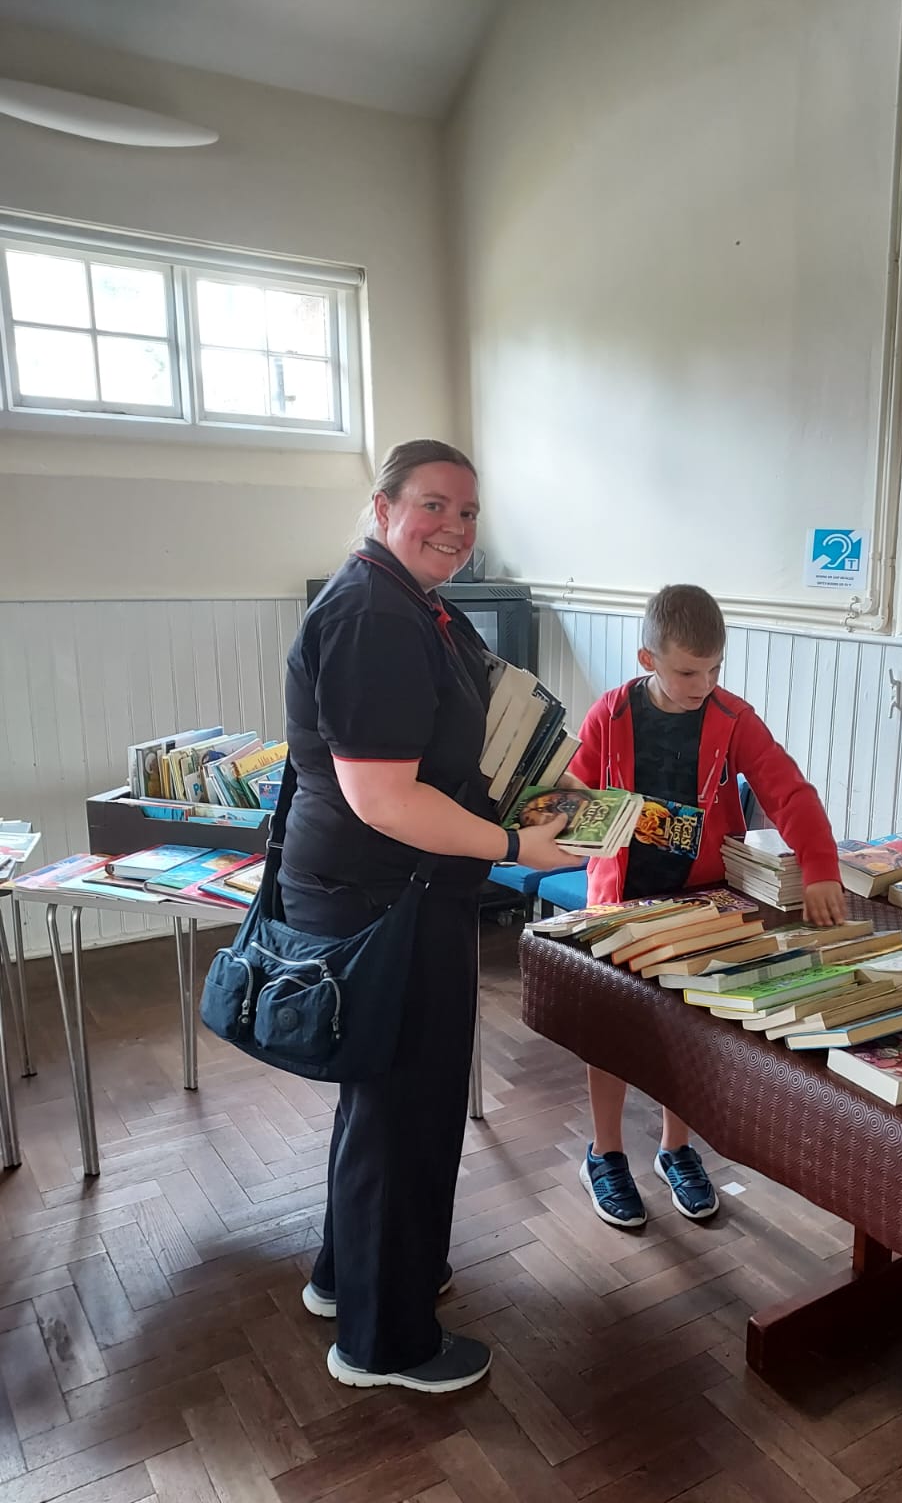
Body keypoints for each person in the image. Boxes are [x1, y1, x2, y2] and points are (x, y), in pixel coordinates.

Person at [281, 439, 579, 1392]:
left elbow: (454, 751)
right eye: (433, 506)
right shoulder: (374, 613)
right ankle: (385, 1342)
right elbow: (382, 799)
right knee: (404, 1113)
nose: (453, 526)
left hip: (396, 895)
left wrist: (532, 796)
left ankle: (352, 1277)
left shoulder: (412, 603)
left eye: (468, 512)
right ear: (382, 506)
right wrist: (513, 849)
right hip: (382, 901)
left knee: (382, 1106)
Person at [571, 584, 846, 1228]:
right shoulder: (608, 716)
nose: (704, 682)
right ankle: (605, 1153)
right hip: (620, 898)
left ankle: (677, 1149)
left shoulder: (732, 716)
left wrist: (820, 868)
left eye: (715, 668)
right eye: (689, 670)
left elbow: (788, 791)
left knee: (687, 1030)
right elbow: (573, 799)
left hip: (701, 899)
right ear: (648, 660)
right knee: (611, 1033)